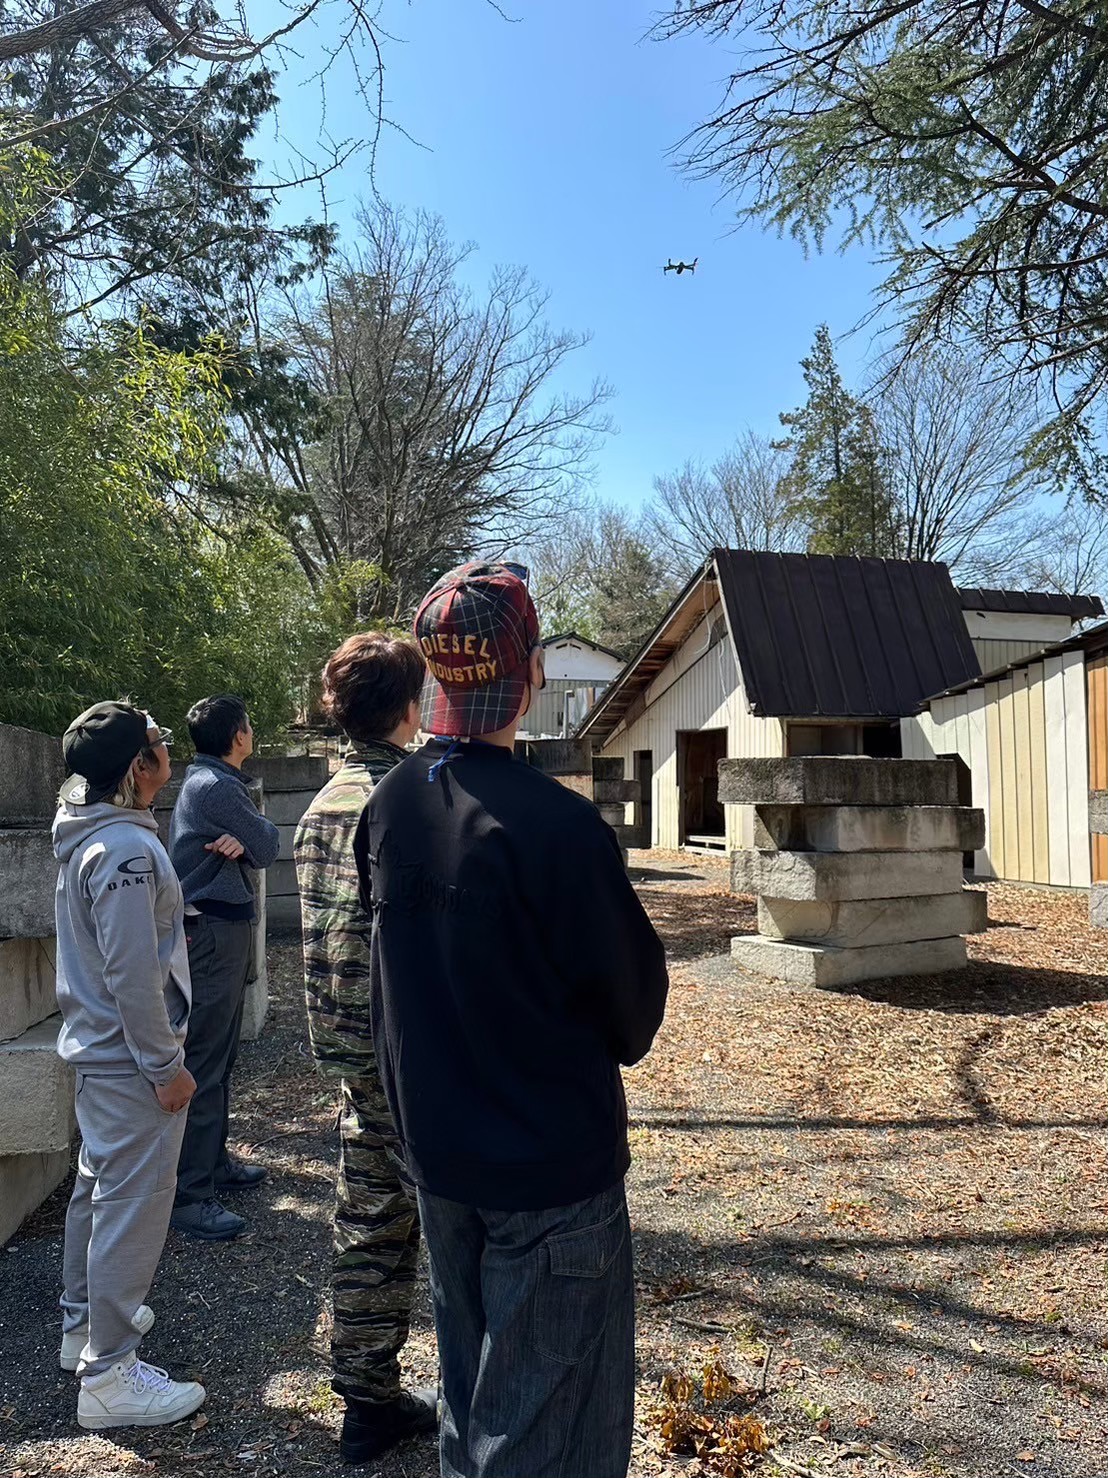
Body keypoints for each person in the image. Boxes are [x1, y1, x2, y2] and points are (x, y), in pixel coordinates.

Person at [358, 562, 670, 1478]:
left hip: (439, 1156)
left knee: (471, 1392)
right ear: (528, 670)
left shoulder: (390, 807)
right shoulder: (559, 828)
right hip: (550, 1172)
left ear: (431, 674)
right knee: (545, 1426)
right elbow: (632, 1012)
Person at [294, 633, 438, 1465]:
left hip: (348, 1053)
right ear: (410, 707)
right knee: (454, 1223)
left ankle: (365, 1404)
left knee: (367, 1228)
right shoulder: (410, 798)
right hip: (411, 1054)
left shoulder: (324, 804)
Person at [54, 701, 205, 1430]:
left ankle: (84, 1329)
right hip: (129, 1063)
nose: (168, 752)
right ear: (137, 769)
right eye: (158, 745)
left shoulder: (91, 836)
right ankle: (109, 1376)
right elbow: (134, 976)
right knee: (132, 1209)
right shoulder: (125, 852)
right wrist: (164, 1066)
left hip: (100, 1057)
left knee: (97, 1192)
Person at [168, 694, 280, 1241]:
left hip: (219, 927)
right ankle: (191, 1194)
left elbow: (257, 845)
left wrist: (253, 839)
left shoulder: (212, 784)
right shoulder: (216, 787)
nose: (251, 732)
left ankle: (213, 1165)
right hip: (212, 930)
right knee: (207, 1058)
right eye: (249, 725)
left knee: (221, 1051)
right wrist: (254, 835)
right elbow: (268, 843)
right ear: (237, 735)